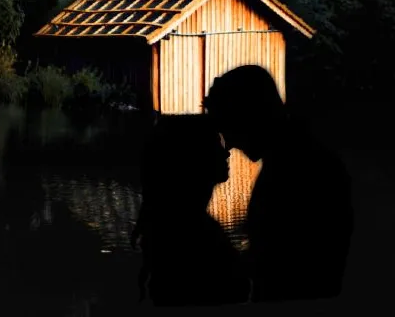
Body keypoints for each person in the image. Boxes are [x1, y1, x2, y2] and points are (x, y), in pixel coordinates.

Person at [204, 65, 354, 302]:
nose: (230, 143)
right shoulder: (297, 160)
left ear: (251, 115)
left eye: (229, 126)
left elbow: (288, 262)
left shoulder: (300, 171)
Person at [131, 113, 251, 306]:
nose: (226, 152)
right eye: (215, 145)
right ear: (193, 156)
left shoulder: (169, 226)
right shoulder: (195, 233)